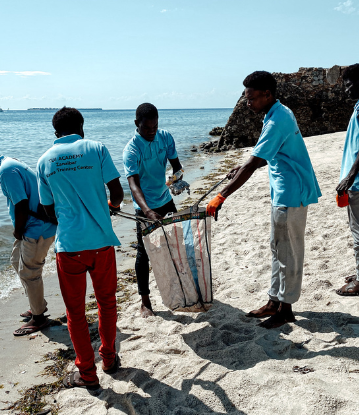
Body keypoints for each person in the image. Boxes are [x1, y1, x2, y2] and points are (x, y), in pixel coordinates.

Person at [206, 71, 321, 328]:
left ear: (267, 94)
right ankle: (274, 301)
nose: (248, 103)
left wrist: (221, 195)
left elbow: (256, 161)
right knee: (277, 248)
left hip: (291, 193)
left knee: (288, 252)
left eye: (251, 98)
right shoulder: (274, 113)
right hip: (282, 191)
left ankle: (286, 309)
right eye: (246, 98)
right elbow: (262, 156)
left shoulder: (277, 119)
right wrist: (241, 167)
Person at [37, 107, 124, 389]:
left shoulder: (43, 161)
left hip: (70, 247)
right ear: (81, 127)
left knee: (75, 313)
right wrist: (111, 208)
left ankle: (87, 373)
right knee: (106, 302)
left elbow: (48, 210)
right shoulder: (97, 149)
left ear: (55, 133)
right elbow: (117, 189)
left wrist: (66, 220)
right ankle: (109, 358)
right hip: (101, 243)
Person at [0, 146, 58, 336]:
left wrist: (18, 231)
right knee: (16, 262)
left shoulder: (6, 171)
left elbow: (21, 203)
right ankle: (37, 306)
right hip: (35, 224)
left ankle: (39, 318)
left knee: (30, 272)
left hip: (37, 228)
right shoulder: (9, 163)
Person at [122, 103, 184, 317]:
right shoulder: (131, 150)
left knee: (176, 244)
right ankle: (145, 301)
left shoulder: (165, 137)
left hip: (165, 199)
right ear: (136, 124)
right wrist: (147, 211)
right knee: (144, 253)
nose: (151, 132)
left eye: (155, 127)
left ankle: (181, 287)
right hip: (144, 207)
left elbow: (177, 166)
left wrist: (176, 179)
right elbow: (133, 185)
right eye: (147, 128)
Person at [335, 64, 359, 296]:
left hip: (358, 184)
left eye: (349, 85)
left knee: (358, 232)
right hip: (355, 182)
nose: (345, 90)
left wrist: (350, 176)